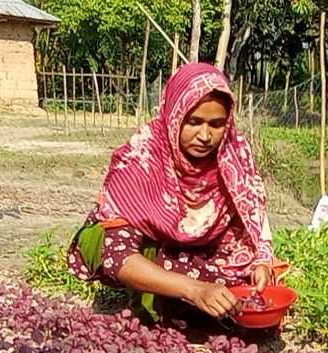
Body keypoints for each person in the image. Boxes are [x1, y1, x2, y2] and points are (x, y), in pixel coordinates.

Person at [67, 62, 286, 323]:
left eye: (216, 124)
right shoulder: (141, 157)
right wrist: (194, 289)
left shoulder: (232, 154)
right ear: (175, 115)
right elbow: (118, 256)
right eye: (193, 122)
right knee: (125, 252)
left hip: (193, 252)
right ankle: (160, 295)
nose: (205, 135)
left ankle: (182, 296)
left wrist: (261, 262)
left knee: (237, 292)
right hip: (144, 248)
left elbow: (252, 216)